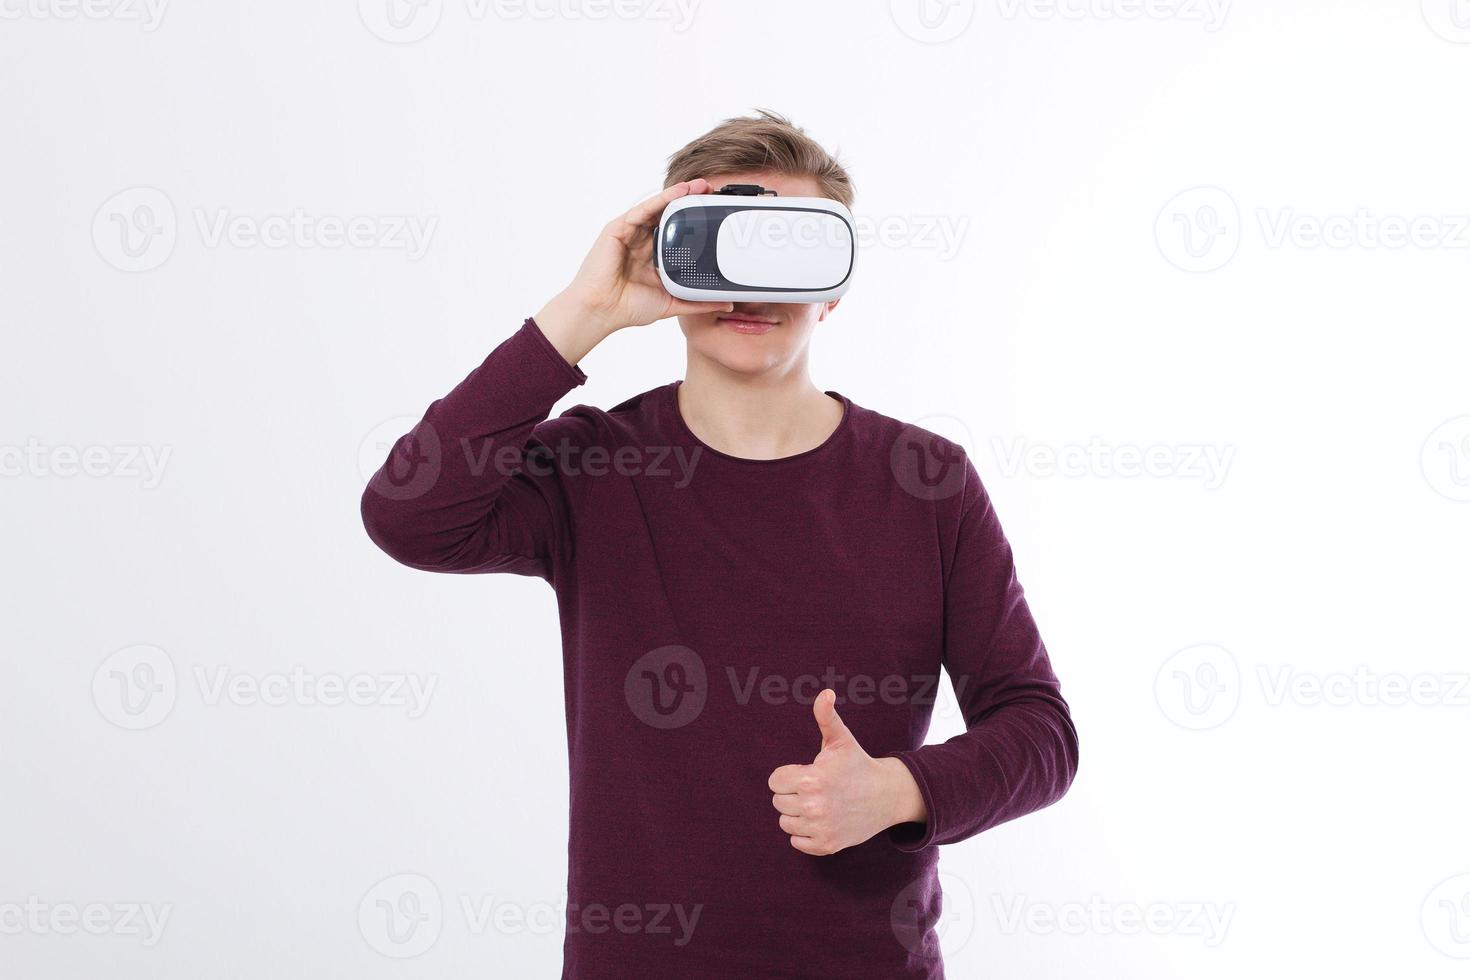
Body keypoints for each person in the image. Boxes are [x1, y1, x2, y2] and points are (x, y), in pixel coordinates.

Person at [360, 109, 1078, 979]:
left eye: (792, 253)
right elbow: (411, 515)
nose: (754, 292)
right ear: (669, 259)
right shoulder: (595, 466)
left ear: (838, 284)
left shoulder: (928, 481)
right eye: (724, 251)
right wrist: (583, 313)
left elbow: (1040, 730)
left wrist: (900, 790)